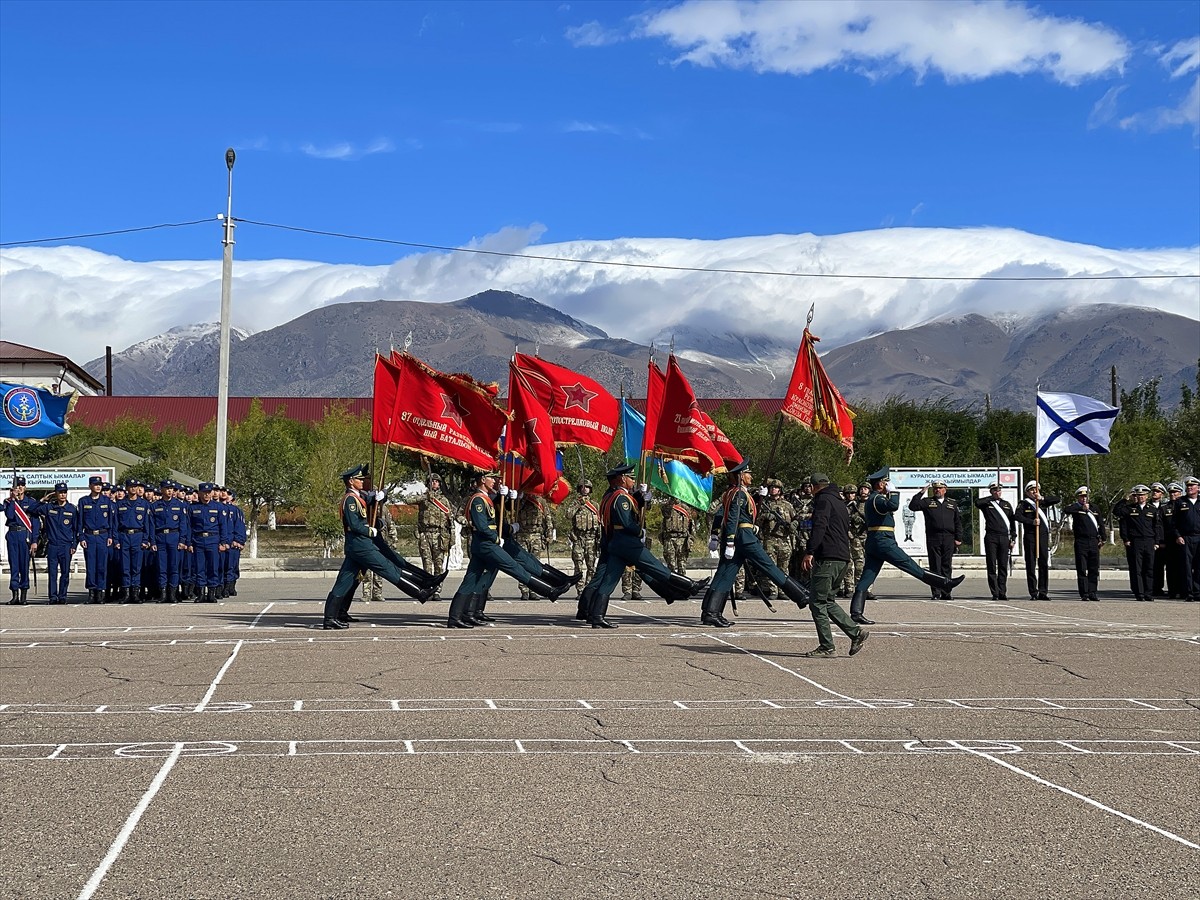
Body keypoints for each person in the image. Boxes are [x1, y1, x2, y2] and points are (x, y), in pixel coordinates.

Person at [575, 465, 708, 628]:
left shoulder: (614, 496)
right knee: (657, 567)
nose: (633, 481)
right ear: (622, 479)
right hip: (628, 543)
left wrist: (641, 496)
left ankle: (597, 616)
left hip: (617, 544)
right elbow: (627, 522)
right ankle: (692, 586)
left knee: (608, 581)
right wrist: (639, 531)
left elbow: (631, 507)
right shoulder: (621, 498)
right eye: (631, 478)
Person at [446, 472, 571, 628]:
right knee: (514, 567)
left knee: (471, 580)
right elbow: (482, 526)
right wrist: (497, 539)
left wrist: (507, 499)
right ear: (483, 480)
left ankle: (457, 616)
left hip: (485, 544)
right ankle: (550, 591)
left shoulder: (485, 498)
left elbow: (494, 516)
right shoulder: (478, 499)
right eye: (492, 478)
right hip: (487, 544)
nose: (495, 481)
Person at [699, 459, 810, 628]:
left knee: (725, 574)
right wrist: (730, 541)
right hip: (744, 538)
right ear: (741, 476)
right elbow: (734, 517)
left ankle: (710, 612)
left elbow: (723, 514)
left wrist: (717, 534)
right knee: (769, 566)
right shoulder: (739, 494)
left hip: (740, 537)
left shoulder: (731, 493)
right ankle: (800, 596)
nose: (751, 476)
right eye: (748, 473)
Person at [850, 467, 965, 624]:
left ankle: (856, 612)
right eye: (885, 482)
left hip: (875, 541)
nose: (887, 484)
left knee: (867, 577)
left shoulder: (873, 499)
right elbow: (893, 505)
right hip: (883, 541)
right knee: (911, 566)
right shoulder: (877, 499)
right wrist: (894, 492)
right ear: (881, 484)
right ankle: (945, 583)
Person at [799, 474, 869, 658]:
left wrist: (810, 551)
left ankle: (827, 647)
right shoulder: (839, 501)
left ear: (814, 486)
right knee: (828, 601)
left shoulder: (823, 500)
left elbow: (820, 526)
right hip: (842, 557)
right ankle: (856, 633)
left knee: (817, 602)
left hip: (828, 557)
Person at [908, 480, 963, 600]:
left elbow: (957, 522)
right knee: (935, 566)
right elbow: (913, 506)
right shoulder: (928, 502)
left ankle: (946, 592)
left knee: (946, 565)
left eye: (940, 488)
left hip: (949, 537)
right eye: (935, 488)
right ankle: (936, 592)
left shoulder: (952, 503)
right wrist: (921, 492)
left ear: (945, 490)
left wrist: (958, 538)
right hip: (934, 537)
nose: (937, 490)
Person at [30, 482, 78, 605]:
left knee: (65, 573)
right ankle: (53, 597)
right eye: (60, 492)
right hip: (52, 545)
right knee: (52, 573)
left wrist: (74, 545)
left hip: (66, 545)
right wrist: (43, 500)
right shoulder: (49, 507)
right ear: (56, 494)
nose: (63, 495)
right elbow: (31, 510)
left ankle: (62, 597)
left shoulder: (72, 509)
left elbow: (76, 529)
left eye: (65, 492)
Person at [1015, 480, 1060, 601]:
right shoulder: (1024, 504)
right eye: (1031, 490)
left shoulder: (1042, 502)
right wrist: (1031, 522)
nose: (1034, 491)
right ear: (1027, 492)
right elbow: (1017, 516)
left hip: (1042, 536)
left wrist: (1041, 498)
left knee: (1043, 564)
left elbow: (1057, 499)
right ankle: (1033, 592)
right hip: (1030, 536)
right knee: (1031, 564)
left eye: (1036, 489)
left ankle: (1043, 591)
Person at [186, 483, 230, 604]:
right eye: (204, 492)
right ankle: (201, 594)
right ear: (199, 493)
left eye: (208, 492)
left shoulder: (218, 507)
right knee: (199, 568)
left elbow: (223, 526)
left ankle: (211, 593)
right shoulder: (192, 508)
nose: (206, 495)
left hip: (213, 540)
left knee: (213, 567)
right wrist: (189, 543)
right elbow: (189, 527)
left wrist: (223, 542)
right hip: (198, 540)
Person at [1118, 484, 1162, 601]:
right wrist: (1126, 539)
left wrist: (1157, 542)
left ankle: (1149, 593)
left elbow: (1157, 527)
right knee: (1137, 569)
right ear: (1135, 496)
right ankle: (1140, 593)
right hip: (1136, 541)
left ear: (1147, 496)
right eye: (1138, 495)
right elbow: (1118, 513)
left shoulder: (1152, 510)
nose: (1141, 497)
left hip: (1149, 541)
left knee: (1149, 568)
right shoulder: (1130, 509)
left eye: (1143, 495)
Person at [754, 478, 796, 601]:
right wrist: (765, 516)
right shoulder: (764, 504)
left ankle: (783, 590)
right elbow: (756, 521)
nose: (773, 489)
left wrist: (794, 524)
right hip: (769, 539)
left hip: (784, 539)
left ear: (780, 490)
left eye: (776, 488)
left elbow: (796, 518)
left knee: (784, 567)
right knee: (771, 566)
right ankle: (773, 590)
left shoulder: (787, 505)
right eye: (771, 487)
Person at [974, 482, 1016, 601]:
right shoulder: (987, 504)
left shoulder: (1006, 505)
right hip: (991, 537)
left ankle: (1002, 592)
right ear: (991, 491)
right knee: (992, 565)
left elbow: (1012, 523)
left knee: (1003, 566)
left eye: (999, 490)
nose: (998, 492)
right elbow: (977, 503)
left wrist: (1013, 538)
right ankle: (995, 593)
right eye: (995, 490)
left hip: (1004, 537)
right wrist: (991, 498)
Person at [1062, 487, 1105, 601]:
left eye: (1086, 496)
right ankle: (1084, 593)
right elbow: (1067, 510)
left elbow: (1100, 523)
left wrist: (1103, 538)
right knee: (1082, 568)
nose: (1084, 498)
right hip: (1081, 541)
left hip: (1094, 540)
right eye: (1082, 496)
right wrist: (1081, 508)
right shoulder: (1075, 507)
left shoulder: (1094, 508)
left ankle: (1092, 592)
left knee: (1094, 568)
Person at [150, 480, 190, 604]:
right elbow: (151, 525)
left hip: (174, 537)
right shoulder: (155, 506)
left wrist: (182, 540)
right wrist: (153, 542)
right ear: (161, 490)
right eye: (167, 488)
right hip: (160, 537)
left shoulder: (179, 505)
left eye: (171, 488)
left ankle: (172, 594)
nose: (169, 491)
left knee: (174, 567)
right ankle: (163, 594)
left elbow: (183, 524)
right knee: (161, 567)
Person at [416, 473, 454, 600]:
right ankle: (428, 589)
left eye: (436, 481)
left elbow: (450, 520)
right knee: (427, 564)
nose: (434, 483)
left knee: (438, 564)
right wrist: (426, 496)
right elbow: (409, 500)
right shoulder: (423, 498)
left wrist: (451, 538)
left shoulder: (443, 500)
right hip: (425, 534)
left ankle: (437, 590)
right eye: (432, 481)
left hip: (439, 535)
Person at [361, 475, 399, 604]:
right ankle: (366, 593)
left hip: (382, 541)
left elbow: (391, 525)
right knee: (367, 568)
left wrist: (393, 540)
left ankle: (377, 592)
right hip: (368, 540)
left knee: (380, 568)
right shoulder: (365, 509)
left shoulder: (384, 510)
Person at [77, 475, 115, 604]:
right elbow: (80, 521)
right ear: (90, 486)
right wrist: (81, 537)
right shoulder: (84, 501)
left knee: (102, 566)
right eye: (95, 485)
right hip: (89, 536)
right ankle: (92, 593)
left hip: (103, 536)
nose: (98, 487)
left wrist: (110, 536)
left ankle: (100, 593)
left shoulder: (106, 501)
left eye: (100, 485)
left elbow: (111, 520)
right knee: (91, 566)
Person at [3, 477, 40, 605]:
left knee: (24, 566)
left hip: (25, 535)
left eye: (22, 485)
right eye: (17, 485)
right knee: (14, 565)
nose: (20, 488)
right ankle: (15, 595)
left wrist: (34, 541)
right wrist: (13, 499)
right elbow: (9, 515)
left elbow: (35, 523)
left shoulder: (31, 502)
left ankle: (23, 595)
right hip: (13, 535)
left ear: (25, 487)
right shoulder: (8, 501)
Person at [114, 479, 151, 604]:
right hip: (124, 536)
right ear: (127, 488)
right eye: (131, 486)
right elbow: (115, 524)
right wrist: (116, 540)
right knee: (125, 567)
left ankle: (135, 594)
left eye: (135, 486)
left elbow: (147, 524)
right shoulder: (120, 504)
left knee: (136, 567)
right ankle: (126, 593)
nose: (134, 488)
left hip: (138, 536)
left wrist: (145, 539)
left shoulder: (144, 504)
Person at [515, 492, 555, 601]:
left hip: (536, 535)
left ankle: (533, 590)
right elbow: (514, 512)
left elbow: (548, 518)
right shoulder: (520, 499)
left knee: (535, 564)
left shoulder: (541, 501)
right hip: (522, 535)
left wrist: (549, 535)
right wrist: (522, 498)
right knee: (522, 564)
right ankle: (524, 591)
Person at [564, 480, 601, 593]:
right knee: (578, 567)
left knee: (591, 567)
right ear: (579, 489)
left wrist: (600, 539)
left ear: (590, 489)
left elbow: (599, 523)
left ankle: (588, 589)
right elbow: (568, 515)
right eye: (582, 487)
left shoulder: (594, 505)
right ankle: (580, 590)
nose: (585, 489)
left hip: (591, 540)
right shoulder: (575, 503)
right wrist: (578, 504)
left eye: (587, 487)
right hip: (578, 540)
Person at [1170, 476, 1200, 602]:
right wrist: (1178, 536)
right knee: (1186, 567)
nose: (1189, 488)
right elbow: (1174, 522)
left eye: (1192, 486)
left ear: (1198, 488)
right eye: (1188, 486)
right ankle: (1189, 593)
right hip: (1186, 538)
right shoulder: (1180, 502)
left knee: (1199, 567)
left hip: (1199, 537)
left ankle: (1198, 592)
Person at [659, 497, 696, 576]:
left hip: (682, 540)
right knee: (671, 565)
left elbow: (691, 525)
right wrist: (671, 501)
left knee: (682, 566)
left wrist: (691, 540)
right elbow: (664, 512)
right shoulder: (668, 507)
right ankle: (671, 582)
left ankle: (682, 582)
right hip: (669, 539)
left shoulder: (685, 508)